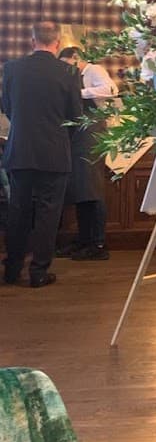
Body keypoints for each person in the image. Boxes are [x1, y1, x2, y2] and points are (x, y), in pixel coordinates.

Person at [2, 21, 82, 287]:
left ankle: (12, 268)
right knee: (49, 213)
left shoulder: (12, 68)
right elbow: (76, 116)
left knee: (18, 210)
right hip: (54, 151)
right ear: (57, 43)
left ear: (32, 40)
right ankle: (38, 272)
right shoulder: (69, 72)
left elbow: (7, 107)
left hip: (20, 149)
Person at [58, 47, 118, 261]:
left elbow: (110, 89)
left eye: (66, 64)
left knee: (93, 189)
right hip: (78, 136)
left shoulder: (94, 70)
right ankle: (84, 240)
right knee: (81, 189)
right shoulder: (75, 76)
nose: (65, 69)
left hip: (92, 135)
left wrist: (79, 93)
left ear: (76, 58)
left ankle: (98, 244)